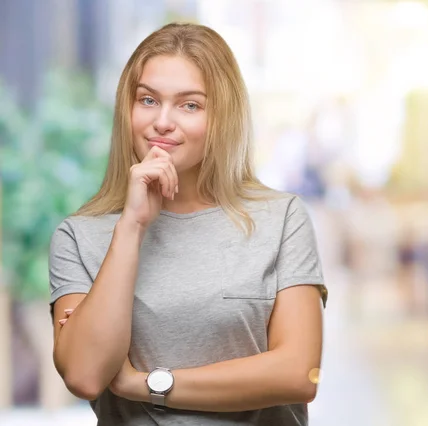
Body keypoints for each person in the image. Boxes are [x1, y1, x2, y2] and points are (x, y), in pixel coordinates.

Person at [49, 22, 327, 426]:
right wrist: (131, 226)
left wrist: (142, 384)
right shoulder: (79, 237)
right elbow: (86, 374)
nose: (163, 121)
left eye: (189, 105)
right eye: (147, 100)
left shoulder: (281, 219)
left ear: (222, 116)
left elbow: (299, 373)